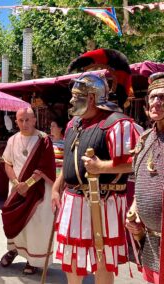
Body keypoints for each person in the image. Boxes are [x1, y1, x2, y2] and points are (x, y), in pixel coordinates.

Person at [51, 51, 143, 283]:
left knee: (103, 257)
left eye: (76, 97)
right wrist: (57, 186)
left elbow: (135, 163)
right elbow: (70, 161)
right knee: (72, 256)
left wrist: (101, 166)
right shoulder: (74, 123)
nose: (71, 102)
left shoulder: (118, 124)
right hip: (73, 201)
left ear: (92, 98)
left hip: (104, 202)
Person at [0, 108, 56, 274]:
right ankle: (14, 250)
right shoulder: (12, 139)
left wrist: (28, 184)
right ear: (16, 121)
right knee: (14, 219)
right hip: (17, 189)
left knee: (35, 224)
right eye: (20, 120)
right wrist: (17, 183)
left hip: (37, 190)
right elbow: (7, 163)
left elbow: (45, 167)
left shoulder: (43, 139)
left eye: (27, 120)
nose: (24, 123)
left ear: (34, 120)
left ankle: (34, 259)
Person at [126, 72, 164, 284]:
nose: (156, 102)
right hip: (148, 238)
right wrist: (135, 210)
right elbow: (141, 181)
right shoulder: (144, 139)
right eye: (152, 97)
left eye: (163, 97)